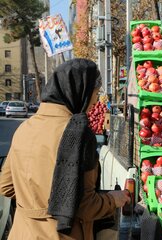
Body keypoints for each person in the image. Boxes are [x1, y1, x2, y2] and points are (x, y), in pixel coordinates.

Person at [0, 59, 130, 240]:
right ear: (80, 90)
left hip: (22, 232)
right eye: (96, 92)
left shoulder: (24, 128)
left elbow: (6, 186)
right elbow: (85, 206)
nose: (96, 100)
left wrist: (36, 203)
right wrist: (113, 200)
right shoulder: (78, 133)